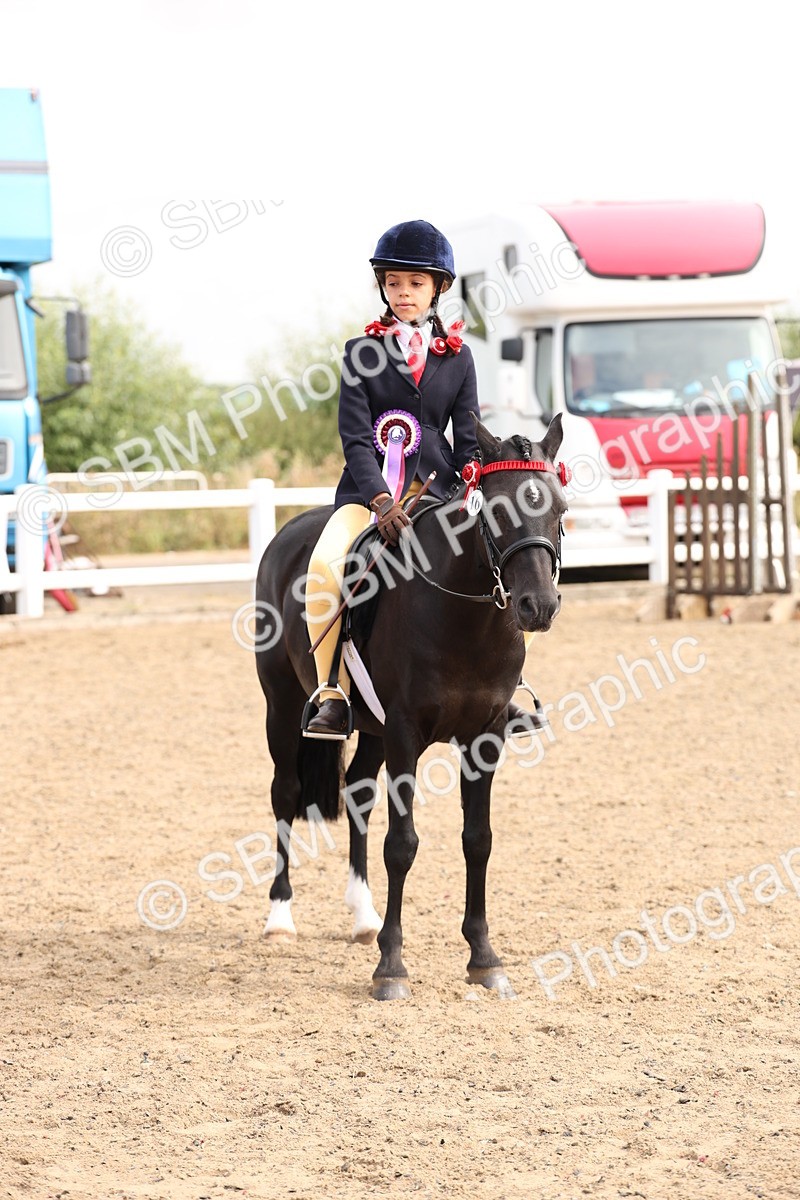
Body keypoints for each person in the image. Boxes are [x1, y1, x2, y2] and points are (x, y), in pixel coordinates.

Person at [302, 219, 545, 739]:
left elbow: (467, 433)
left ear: (438, 288)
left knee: (513, 556)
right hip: (368, 496)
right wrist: (381, 499)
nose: (403, 293)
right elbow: (355, 437)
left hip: (442, 493)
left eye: (415, 284)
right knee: (327, 566)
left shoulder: (459, 357)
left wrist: (474, 480)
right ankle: (334, 692)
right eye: (393, 283)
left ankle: (509, 688)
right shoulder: (358, 354)